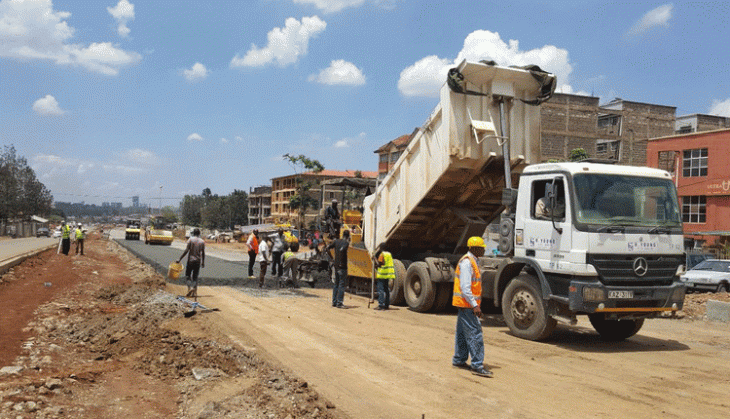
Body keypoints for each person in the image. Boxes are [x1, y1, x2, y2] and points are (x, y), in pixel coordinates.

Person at [452, 236, 493, 378]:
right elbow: (465, 287)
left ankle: (459, 359)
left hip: (465, 305)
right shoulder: (467, 263)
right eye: (481, 247)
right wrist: (475, 306)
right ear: (475, 248)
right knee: (475, 334)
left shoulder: (473, 261)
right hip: (468, 305)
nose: (483, 250)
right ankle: (477, 365)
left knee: (462, 335)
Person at [177, 228, 205, 298]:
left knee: (188, 275)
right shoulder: (202, 242)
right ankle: (194, 290)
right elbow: (203, 253)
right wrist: (203, 262)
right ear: (199, 234)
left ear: (193, 233)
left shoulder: (190, 240)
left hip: (190, 261)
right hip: (198, 261)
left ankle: (189, 288)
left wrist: (180, 259)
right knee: (195, 277)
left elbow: (187, 250)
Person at [327, 229, 350, 308]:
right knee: (342, 284)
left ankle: (334, 302)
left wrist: (332, 258)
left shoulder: (336, 241)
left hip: (336, 266)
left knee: (336, 284)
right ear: (348, 236)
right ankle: (339, 303)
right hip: (342, 266)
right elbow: (342, 249)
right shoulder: (346, 243)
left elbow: (327, 248)